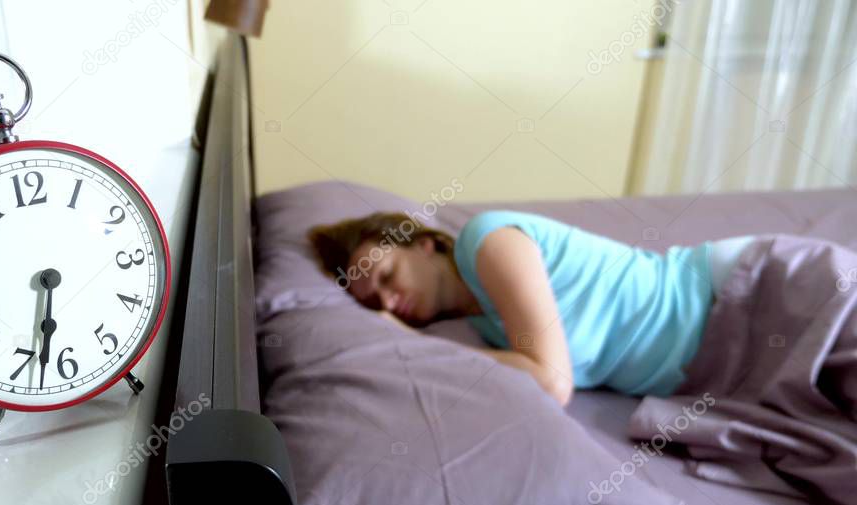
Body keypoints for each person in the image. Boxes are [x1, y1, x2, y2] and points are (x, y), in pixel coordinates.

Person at [308, 210, 756, 408]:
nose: (388, 302)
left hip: (739, 297)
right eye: (372, 301)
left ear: (423, 246)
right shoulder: (481, 326)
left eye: (387, 276)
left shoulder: (487, 242)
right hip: (726, 369)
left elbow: (552, 384)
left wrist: (409, 343)